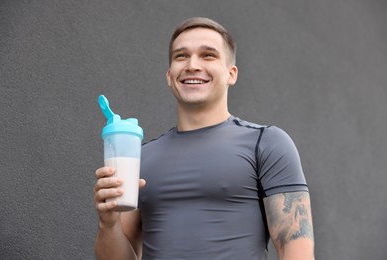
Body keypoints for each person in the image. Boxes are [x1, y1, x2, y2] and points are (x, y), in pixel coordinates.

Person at [94, 17, 314, 260]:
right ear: (169, 76)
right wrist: (108, 224)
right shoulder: (140, 158)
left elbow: (295, 250)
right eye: (181, 56)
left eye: (208, 55)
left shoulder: (267, 143)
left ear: (231, 74)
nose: (192, 65)